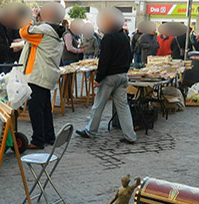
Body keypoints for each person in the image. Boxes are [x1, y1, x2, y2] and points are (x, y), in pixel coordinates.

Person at [75, 7, 136, 145]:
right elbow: (129, 56)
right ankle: (130, 135)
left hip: (110, 77)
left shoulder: (109, 37)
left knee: (98, 105)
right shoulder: (125, 37)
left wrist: (98, 78)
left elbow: (105, 60)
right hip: (122, 75)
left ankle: (91, 131)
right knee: (123, 107)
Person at [19, 2, 64, 149]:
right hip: (46, 74)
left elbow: (24, 31)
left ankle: (38, 139)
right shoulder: (56, 31)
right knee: (44, 108)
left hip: (37, 75)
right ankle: (49, 136)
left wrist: (31, 16)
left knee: (36, 109)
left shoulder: (44, 30)